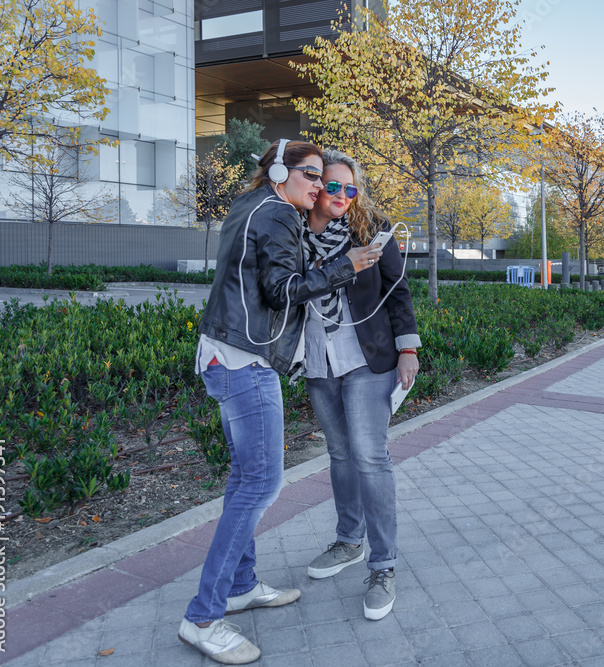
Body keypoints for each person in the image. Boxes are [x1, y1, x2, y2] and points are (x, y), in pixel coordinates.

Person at [179, 139, 384, 664]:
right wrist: (348, 266)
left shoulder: (251, 206)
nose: (319, 186)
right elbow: (282, 290)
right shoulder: (277, 214)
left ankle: (241, 585)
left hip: (224, 353)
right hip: (246, 360)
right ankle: (203, 616)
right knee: (261, 483)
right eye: (311, 175)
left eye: (324, 178)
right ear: (278, 171)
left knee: (243, 478)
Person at [300, 150, 420, 621]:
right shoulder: (292, 231)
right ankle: (349, 541)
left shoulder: (373, 230)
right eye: (333, 187)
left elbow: (398, 291)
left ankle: (384, 565)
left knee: (370, 456)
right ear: (314, 188)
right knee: (340, 453)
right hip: (318, 359)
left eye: (351, 189)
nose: (344, 196)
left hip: (369, 358)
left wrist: (408, 349)